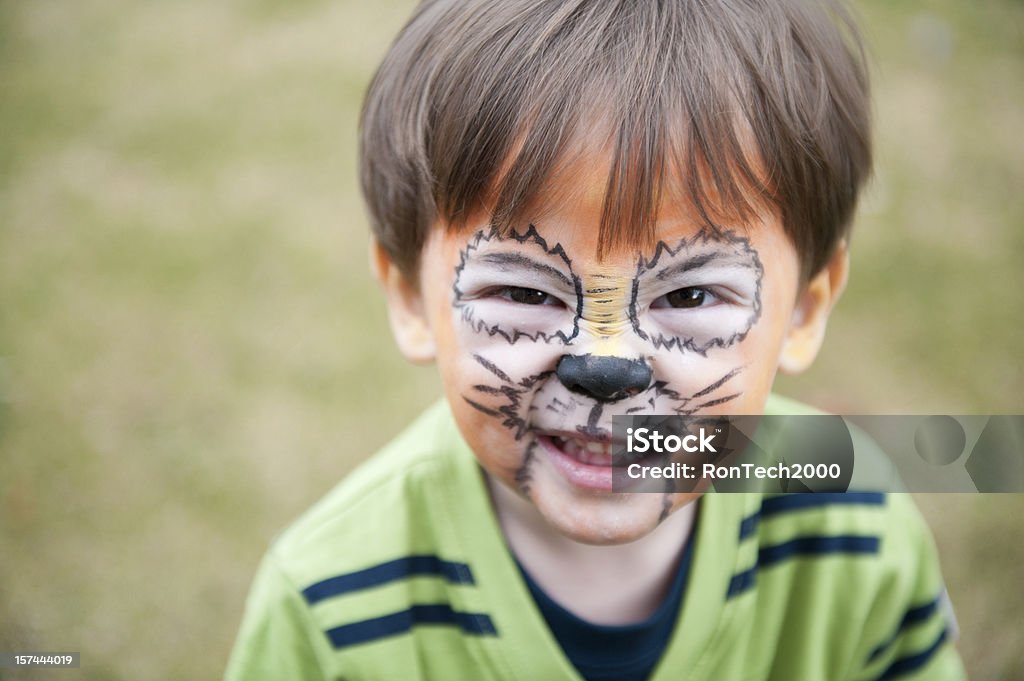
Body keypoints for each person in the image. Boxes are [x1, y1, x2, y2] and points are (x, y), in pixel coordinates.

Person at [225, 0, 966, 678]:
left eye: (692, 294)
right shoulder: (325, 608)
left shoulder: (857, 525)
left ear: (804, 310)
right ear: (410, 298)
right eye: (521, 291)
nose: (606, 365)